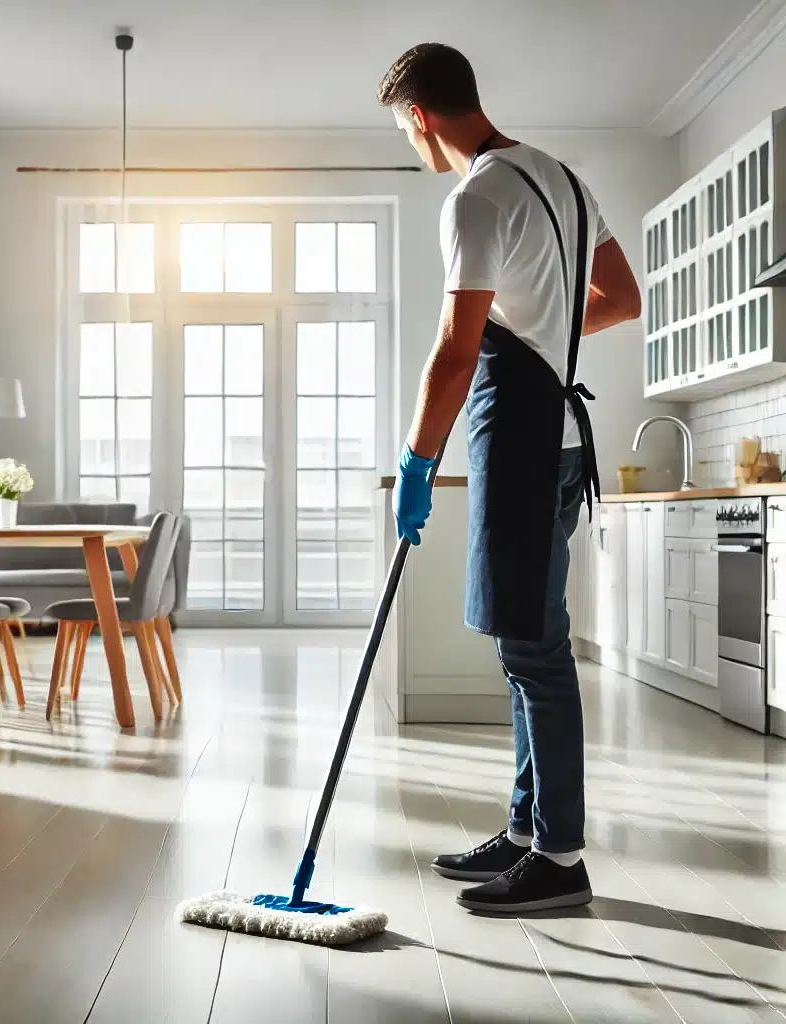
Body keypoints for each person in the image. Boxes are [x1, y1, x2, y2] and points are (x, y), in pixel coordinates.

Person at [378, 44, 641, 913]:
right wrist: (550, 331)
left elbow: (456, 351)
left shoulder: (476, 197)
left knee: (534, 650)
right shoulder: (562, 179)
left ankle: (560, 859)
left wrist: (417, 462)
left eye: (403, 129)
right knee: (524, 638)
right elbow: (622, 297)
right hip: (562, 436)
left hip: (525, 439)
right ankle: (528, 828)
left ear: (418, 116)